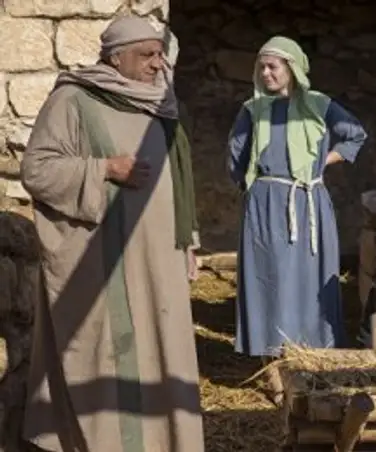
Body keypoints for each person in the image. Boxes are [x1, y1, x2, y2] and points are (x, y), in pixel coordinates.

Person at [20, 16, 203, 452]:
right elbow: (37, 169)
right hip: (107, 263)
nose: (157, 64)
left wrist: (188, 240)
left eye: (160, 53)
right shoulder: (74, 101)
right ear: (115, 58)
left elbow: (179, 174)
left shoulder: (162, 102)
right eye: (146, 55)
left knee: (163, 351)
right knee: (104, 355)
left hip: (160, 260)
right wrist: (103, 169)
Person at [228, 36, 367, 358]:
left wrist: (323, 161)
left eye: (272, 66)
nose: (266, 73)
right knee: (270, 276)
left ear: (291, 69)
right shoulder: (252, 110)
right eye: (261, 67)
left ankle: (314, 351)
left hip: (307, 201)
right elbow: (235, 155)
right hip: (265, 204)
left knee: (309, 276)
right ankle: (271, 354)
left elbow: (355, 134)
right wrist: (255, 188)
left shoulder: (320, 105)